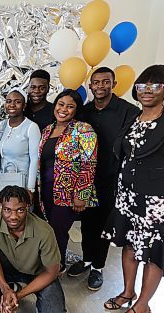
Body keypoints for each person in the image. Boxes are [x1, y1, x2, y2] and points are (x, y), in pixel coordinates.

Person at [102, 65, 164, 313]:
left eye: (155, 85)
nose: (147, 91)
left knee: (154, 251)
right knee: (130, 244)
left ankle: (142, 306)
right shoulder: (133, 118)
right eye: (142, 85)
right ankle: (127, 292)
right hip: (128, 196)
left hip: (160, 200)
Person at [68, 67, 140, 290]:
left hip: (111, 179)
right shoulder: (85, 111)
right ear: (90, 86)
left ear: (114, 84)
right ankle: (87, 260)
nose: (100, 86)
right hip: (86, 178)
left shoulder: (128, 111)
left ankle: (98, 267)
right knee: (87, 223)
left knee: (103, 225)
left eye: (105, 82)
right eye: (96, 82)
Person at [38, 89, 98, 274]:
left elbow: (90, 163)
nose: (63, 109)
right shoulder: (47, 129)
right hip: (45, 189)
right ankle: (49, 263)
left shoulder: (83, 129)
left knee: (58, 231)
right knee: (47, 229)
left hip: (68, 192)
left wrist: (82, 195)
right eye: (60, 104)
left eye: (70, 106)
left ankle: (57, 266)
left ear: (76, 110)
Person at [0, 88, 41, 202]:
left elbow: (35, 159)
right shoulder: (1, 125)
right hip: (3, 181)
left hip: (22, 182)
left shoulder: (31, 127)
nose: (12, 105)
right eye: (8, 101)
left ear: (24, 105)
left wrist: (30, 188)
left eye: (17, 102)